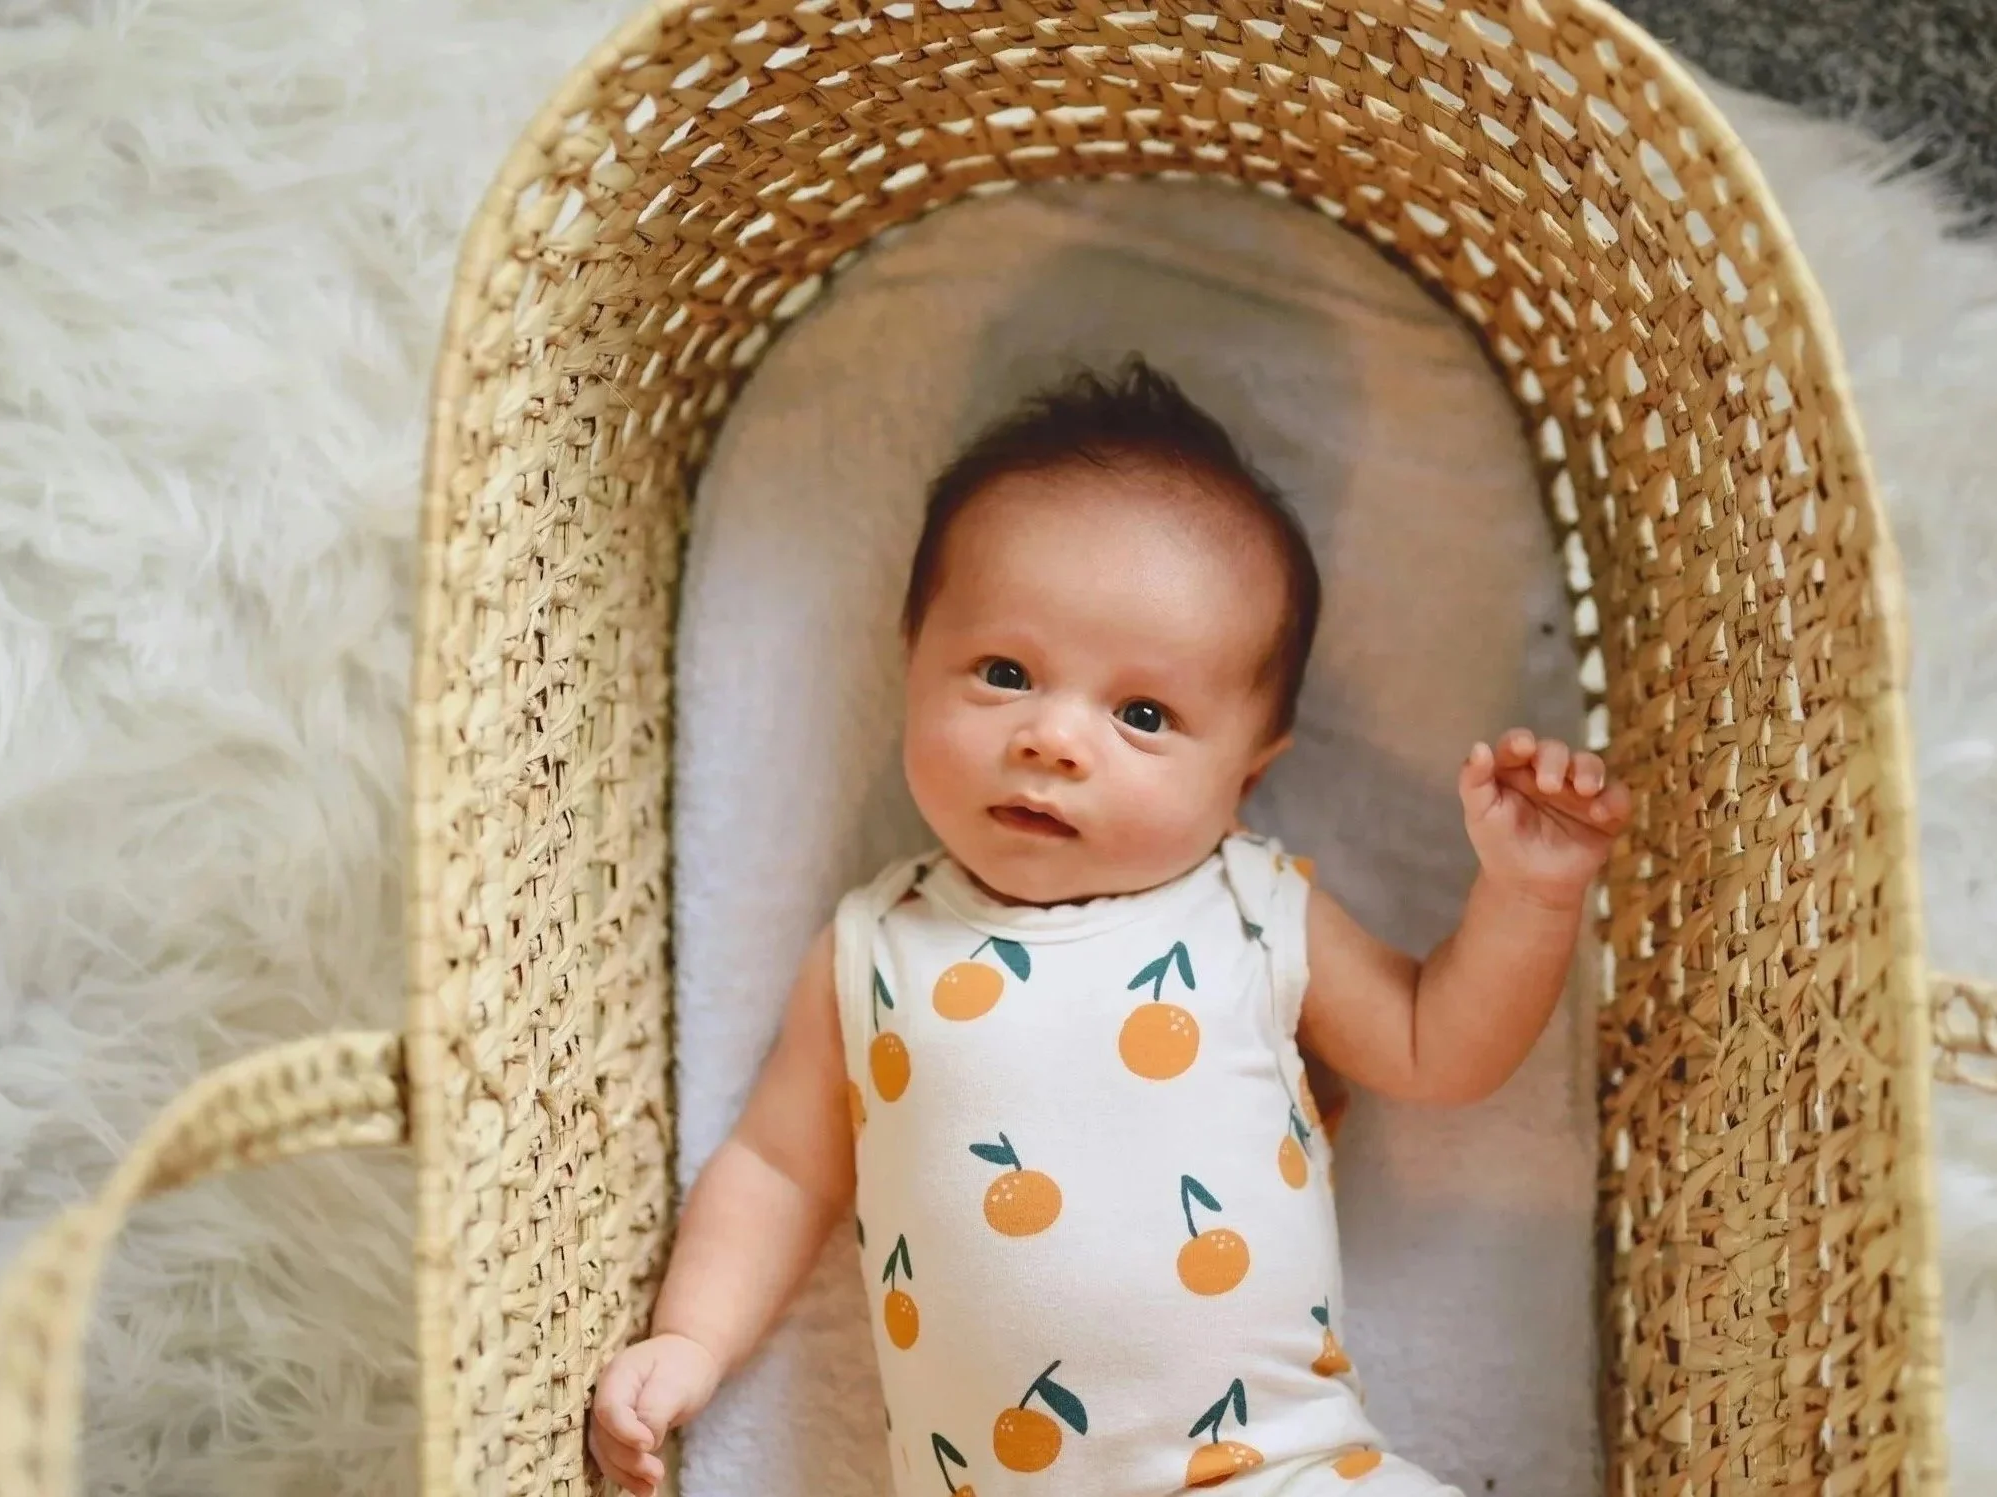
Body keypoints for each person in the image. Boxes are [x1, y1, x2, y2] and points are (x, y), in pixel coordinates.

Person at [589, 358, 1631, 1496]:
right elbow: (778, 1168)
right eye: (1002, 672)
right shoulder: (875, 947)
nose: (1052, 737)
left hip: (1273, 1469)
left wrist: (1529, 896)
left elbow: (1439, 1047)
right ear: (910, 666)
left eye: (1141, 714)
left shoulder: (1247, 908)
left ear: (1246, 773)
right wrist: (690, 1342)